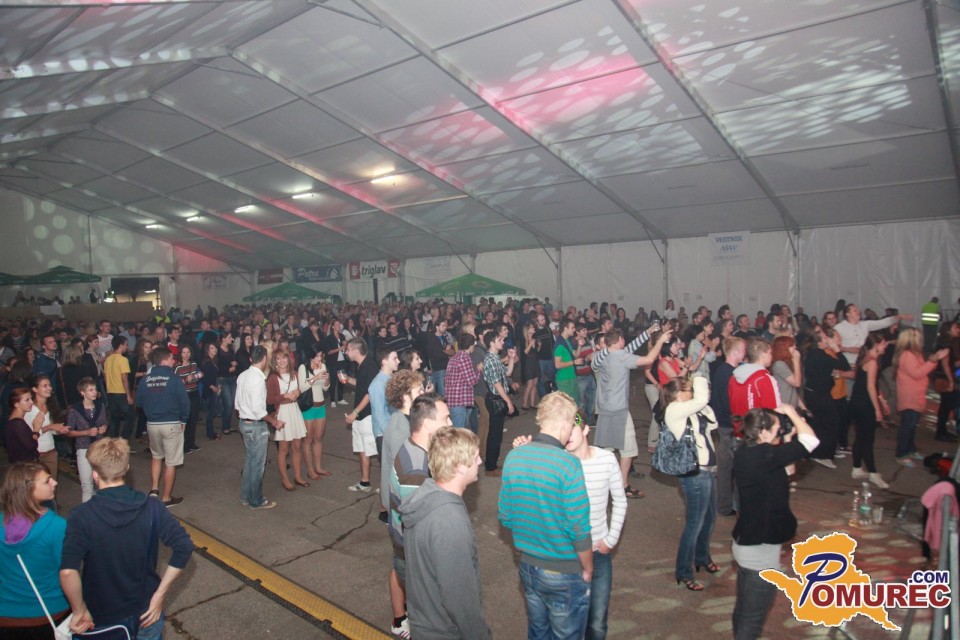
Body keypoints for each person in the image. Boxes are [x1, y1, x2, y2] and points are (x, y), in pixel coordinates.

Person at [59, 438, 193, 638]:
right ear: (127, 468)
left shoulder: (81, 516)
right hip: (146, 611)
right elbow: (184, 546)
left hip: (102, 615)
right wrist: (160, 594)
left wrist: (79, 610)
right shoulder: (152, 507)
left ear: (94, 474)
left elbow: (68, 572)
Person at [513, 415, 627, 640]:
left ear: (585, 430)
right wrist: (525, 449)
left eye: (572, 428)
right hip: (566, 556)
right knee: (561, 623)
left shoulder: (606, 459)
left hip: (598, 552)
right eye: (563, 429)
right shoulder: (557, 461)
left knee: (597, 622)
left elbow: (620, 501)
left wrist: (611, 539)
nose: (567, 435)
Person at [499, 391, 592, 639]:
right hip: (564, 571)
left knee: (538, 632)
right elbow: (579, 528)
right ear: (563, 424)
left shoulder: (514, 457)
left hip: (529, 567)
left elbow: (506, 516)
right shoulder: (568, 465)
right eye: (572, 424)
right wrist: (588, 566)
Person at [731, 406, 820, 639]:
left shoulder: (748, 451)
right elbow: (811, 440)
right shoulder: (764, 456)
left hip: (748, 542)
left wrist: (787, 440)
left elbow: (787, 470)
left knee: (744, 611)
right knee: (752, 620)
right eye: (777, 428)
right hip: (758, 550)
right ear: (763, 432)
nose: (780, 432)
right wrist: (791, 412)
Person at [400, 426, 490, 640]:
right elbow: (458, 595)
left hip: (424, 622)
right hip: (443, 631)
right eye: (475, 457)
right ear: (460, 467)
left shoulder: (426, 497)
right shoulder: (449, 520)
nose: (480, 462)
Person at [591, 326, 670, 498]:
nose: (625, 342)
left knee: (607, 448)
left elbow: (628, 348)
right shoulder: (621, 357)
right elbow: (649, 359)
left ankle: (605, 484)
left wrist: (647, 333)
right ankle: (622, 486)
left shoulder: (602, 356)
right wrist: (661, 341)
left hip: (604, 410)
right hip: (619, 410)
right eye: (623, 339)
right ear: (619, 340)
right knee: (628, 449)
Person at [660, 376, 718, 591]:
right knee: (694, 524)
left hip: (707, 470)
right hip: (694, 474)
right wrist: (699, 377)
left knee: (709, 518)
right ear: (679, 394)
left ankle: (702, 557)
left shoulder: (690, 409)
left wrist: (701, 406)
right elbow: (702, 399)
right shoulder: (674, 409)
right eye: (689, 390)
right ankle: (684, 572)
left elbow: (713, 423)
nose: (693, 393)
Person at [380, 370, 426, 637]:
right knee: (401, 564)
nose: (424, 392)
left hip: (404, 506)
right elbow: (405, 476)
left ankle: (404, 612)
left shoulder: (408, 421)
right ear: (406, 396)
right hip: (402, 508)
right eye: (419, 389)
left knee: (402, 561)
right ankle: (399, 620)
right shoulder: (400, 428)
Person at [0, 462, 68, 637]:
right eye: (47, 481)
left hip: (6, 615)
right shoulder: (56, 526)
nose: (54, 482)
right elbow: (67, 572)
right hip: (49, 612)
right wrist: (80, 607)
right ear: (28, 489)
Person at [137, 348, 190, 507]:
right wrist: (184, 421)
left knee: (156, 456)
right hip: (171, 423)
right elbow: (185, 402)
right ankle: (166, 498)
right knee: (171, 462)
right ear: (164, 360)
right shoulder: (174, 379)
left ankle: (154, 489)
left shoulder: (145, 380)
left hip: (152, 424)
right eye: (171, 358)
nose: (174, 361)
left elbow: (139, 402)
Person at [893, 328, 951, 467]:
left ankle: (910, 449)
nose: (921, 340)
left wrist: (933, 359)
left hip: (916, 393)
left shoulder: (915, 353)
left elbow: (922, 369)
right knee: (907, 425)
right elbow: (917, 373)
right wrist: (934, 360)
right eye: (919, 337)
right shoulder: (907, 355)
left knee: (913, 425)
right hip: (909, 395)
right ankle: (901, 454)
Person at [235, 346, 279, 510]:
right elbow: (259, 410)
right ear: (265, 359)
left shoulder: (242, 375)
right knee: (258, 465)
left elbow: (237, 404)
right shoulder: (259, 379)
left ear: (251, 358)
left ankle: (246, 496)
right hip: (255, 425)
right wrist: (273, 421)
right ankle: (256, 500)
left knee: (249, 461)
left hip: (243, 423)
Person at [847, 334, 892, 488]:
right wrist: (877, 409)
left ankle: (857, 468)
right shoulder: (872, 361)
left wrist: (882, 401)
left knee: (861, 437)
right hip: (865, 404)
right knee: (867, 439)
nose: (886, 346)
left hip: (857, 402)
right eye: (884, 343)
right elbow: (871, 387)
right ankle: (873, 473)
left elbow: (871, 385)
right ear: (876, 344)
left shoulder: (864, 357)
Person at [802, 327, 850, 467]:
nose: (827, 340)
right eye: (824, 338)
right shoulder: (820, 355)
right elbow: (844, 365)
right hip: (819, 395)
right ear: (819, 342)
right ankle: (822, 455)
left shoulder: (813, 353)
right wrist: (837, 349)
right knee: (830, 423)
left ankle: (814, 452)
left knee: (818, 424)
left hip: (814, 393)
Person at [710, 337, 746, 517]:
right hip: (730, 426)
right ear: (735, 352)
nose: (745, 353)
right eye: (743, 350)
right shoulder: (731, 374)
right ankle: (736, 506)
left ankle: (724, 506)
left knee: (725, 467)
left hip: (723, 424)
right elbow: (729, 403)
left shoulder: (721, 370)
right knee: (736, 467)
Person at [267, 350, 309, 491]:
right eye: (278, 359)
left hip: (294, 410)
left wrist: (298, 392)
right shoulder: (273, 378)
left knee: (297, 446)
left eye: (284, 358)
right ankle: (285, 479)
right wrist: (284, 396)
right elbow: (270, 400)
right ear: (275, 361)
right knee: (284, 449)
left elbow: (300, 389)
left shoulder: (294, 374)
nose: (282, 361)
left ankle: (297, 476)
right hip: (283, 412)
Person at [343, 337, 379, 492]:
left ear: (356, 351)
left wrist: (355, 412)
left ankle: (387, 485)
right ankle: (365, 482)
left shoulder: (370, 366)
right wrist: (348, 380)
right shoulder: (361, 365)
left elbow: (369, 394)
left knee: (377, 450)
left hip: (368, 415)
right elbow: (362, 385)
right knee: (362, 448)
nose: (346, 352)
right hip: (360, 415)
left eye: (348, 349)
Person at [64, 377, 107, 502]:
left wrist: (103, 428)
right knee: (87, 485)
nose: (94, 392)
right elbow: (69, 432)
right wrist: (86, 432)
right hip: (84, 448)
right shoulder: (75, 410)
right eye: (90, 390)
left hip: (99, 448)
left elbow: (104, 422)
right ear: (82, 393)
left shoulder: (100, 406)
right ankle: (87, 511)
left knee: (102, 483)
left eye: (95, 389)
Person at [481, 331, 518, 474]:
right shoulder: (491, 360)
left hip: (497, 398)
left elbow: (507, 373)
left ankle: (492, 464)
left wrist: (511, 358)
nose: (503, 342)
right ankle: (490, 466)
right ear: (492, 343)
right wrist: (508, 401)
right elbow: (497, 384)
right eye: (499, 340)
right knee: (494, 435)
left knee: (496, 434)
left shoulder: (495, 358)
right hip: (495, 399)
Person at [25, 375, 69, 484]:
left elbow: (51, 430)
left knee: (51, 485)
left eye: (49, 385)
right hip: (36, 454)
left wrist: (59, 430)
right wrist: (50, 427)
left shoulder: (50, 406)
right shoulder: (29, 409)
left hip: (51, 451)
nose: (49, 388)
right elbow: (28, 435)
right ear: (35, 389)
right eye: (44, 386)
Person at [298, 345, 331, 480]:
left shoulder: (323, 366)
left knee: (318, 438)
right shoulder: (303, 367)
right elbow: (302, 387)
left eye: (321, 355)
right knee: (308, 439)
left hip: (321, 406)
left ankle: (318, 467)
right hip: (309, 407)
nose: (319, 358)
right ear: (311, 356)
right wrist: (315, 378)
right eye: (317, 356)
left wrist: (327, 379)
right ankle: (310, 470)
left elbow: (325, 388)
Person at [444, 333, 483, 429]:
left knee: (459, 430)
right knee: (459, 432)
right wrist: (479, 370)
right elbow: (472, 381)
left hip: (454, 399)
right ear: (470, 345)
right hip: (459, 400)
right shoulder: (464, 358)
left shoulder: (455, 357)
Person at [104, 336, 135, 447]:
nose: (127, 347)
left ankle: (114, 443)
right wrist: (128, 395)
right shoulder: (123, 360)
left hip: (110, 393)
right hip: (121, 393)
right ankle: (124, 441)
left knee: (114, 419)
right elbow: (124, 378)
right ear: (121, 345)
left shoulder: (108, 359)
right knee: (130, 417)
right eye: (126, 344)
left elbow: (105, 377)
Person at [173, 344, 202, 454]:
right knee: (185, 420)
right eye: (184, 352)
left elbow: (200, 374)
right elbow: (175, 381)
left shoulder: (194, 364)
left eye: (188, 352)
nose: (186, 355)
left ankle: (191, 443)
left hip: (194, 393)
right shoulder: (177, 367)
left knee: (193, 419)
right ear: (180, 354)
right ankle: (183, 445)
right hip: (184, 395)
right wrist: (185, 379)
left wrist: (194, 377)